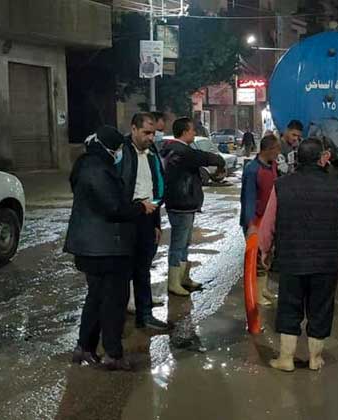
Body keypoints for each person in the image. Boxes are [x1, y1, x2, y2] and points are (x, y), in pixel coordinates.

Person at [258, 138, 338, 372]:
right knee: (320, 308)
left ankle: (286, 359)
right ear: (322, 158)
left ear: (298, 159)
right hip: (325, 262)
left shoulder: (282, 185)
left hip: (291, 261)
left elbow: (268, 224)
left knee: (289, 307)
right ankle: (315, 359)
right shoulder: (337, 184)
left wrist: (265, 251)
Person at [64, 126, 157, 371]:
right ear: (108, 148)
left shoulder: (85, 165)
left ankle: (84, 348)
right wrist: (140, 207)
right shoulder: (98, 169)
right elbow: (114, 208)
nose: (118, 154)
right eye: (116, 149)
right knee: (114, 301)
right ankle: (113, 354)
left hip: (89, 246)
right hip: (106, 248)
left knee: (95, 298)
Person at [161, 116, 225, 295]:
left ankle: (182, 278)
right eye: (192, 130)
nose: (194, 132)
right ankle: (174, 282)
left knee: (184, 243)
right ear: (184, 132)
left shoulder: (174, 149)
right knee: (179, 243)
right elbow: (204, 157)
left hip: (182, 203)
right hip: (181, 202)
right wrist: (219, 161)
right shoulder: (180, 151)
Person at [118, 112, 170, 331]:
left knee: (143, 269)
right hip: (128, 218)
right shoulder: (122, 153)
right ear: (134, 129)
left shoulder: (152, 154)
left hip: (148, 218)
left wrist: (156, 223)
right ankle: (115, 321)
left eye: (153, 133)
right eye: (146, 132)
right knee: (122, 272)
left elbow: (156, 187)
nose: (150, 137)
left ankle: (145, 315)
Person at [240, 134, 281, 305]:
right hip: (256, 221)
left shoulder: (273, 166)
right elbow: (248, 198)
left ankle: (263, 289)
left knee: (266, 257)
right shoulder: (252, 169)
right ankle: (256, 294)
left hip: (268, 220)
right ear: (268, 150)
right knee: (256, 258)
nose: (278, 153)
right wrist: (251, 225)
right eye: (276, 150)